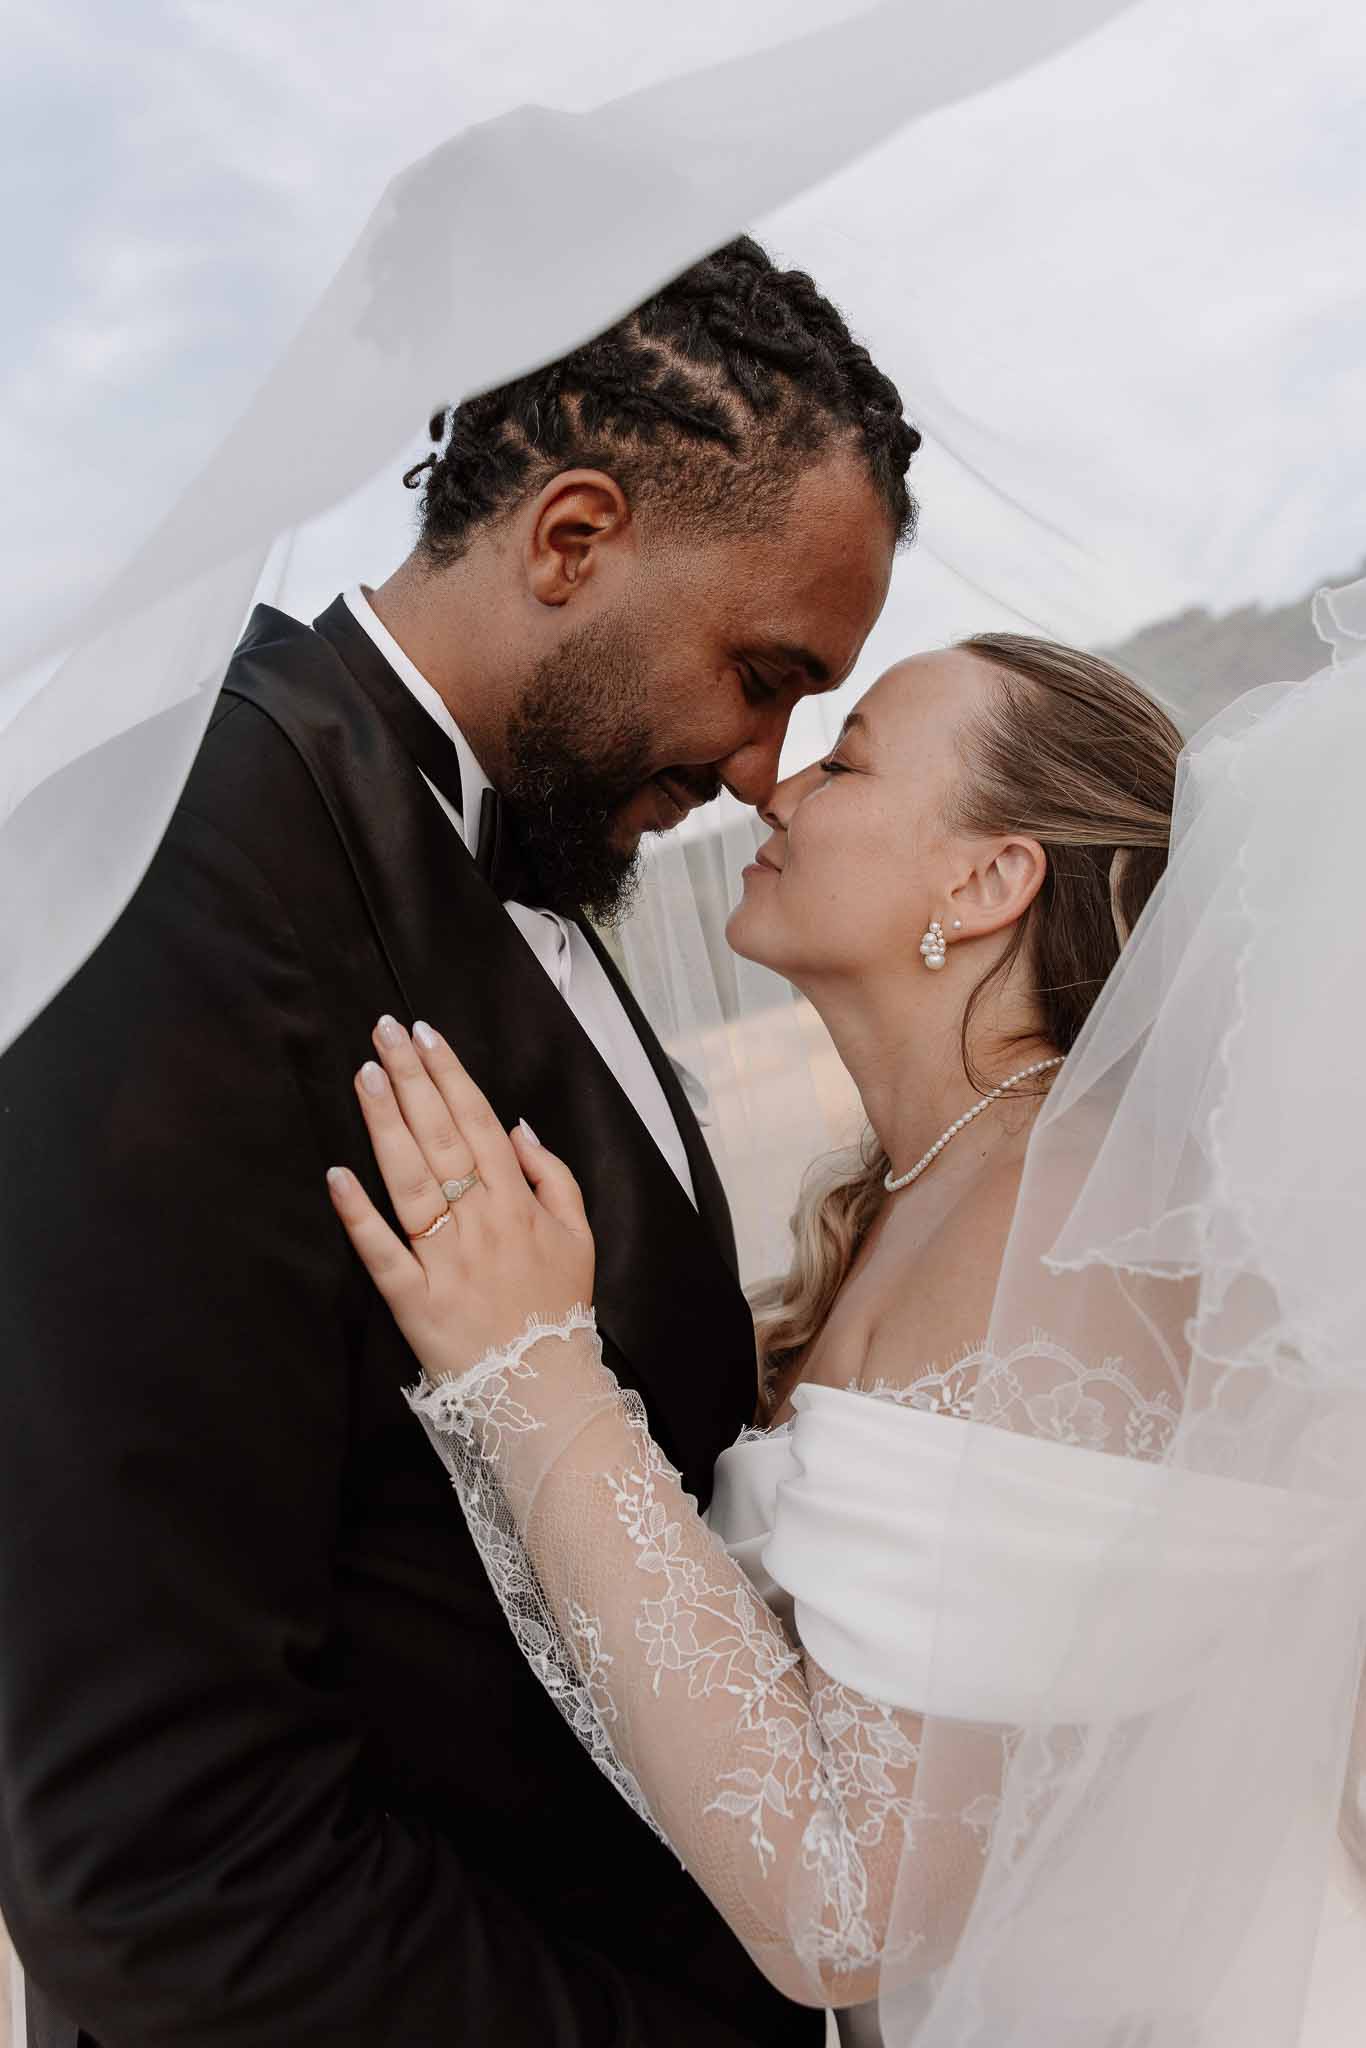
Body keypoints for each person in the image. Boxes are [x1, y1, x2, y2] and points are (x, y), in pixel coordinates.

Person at [0, 237, 917, 2048]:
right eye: (761, 670)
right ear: (569, 538)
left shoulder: (555, 842)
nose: (762, 765)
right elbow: (157, 1855)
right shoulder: (183, 859)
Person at [328, 631, 1366, 2042]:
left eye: (852, 757)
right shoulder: (935, 1188)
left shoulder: (1051, 1225)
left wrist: (533, 1374)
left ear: (987, 880)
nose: (779, 787)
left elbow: (848, 1908)